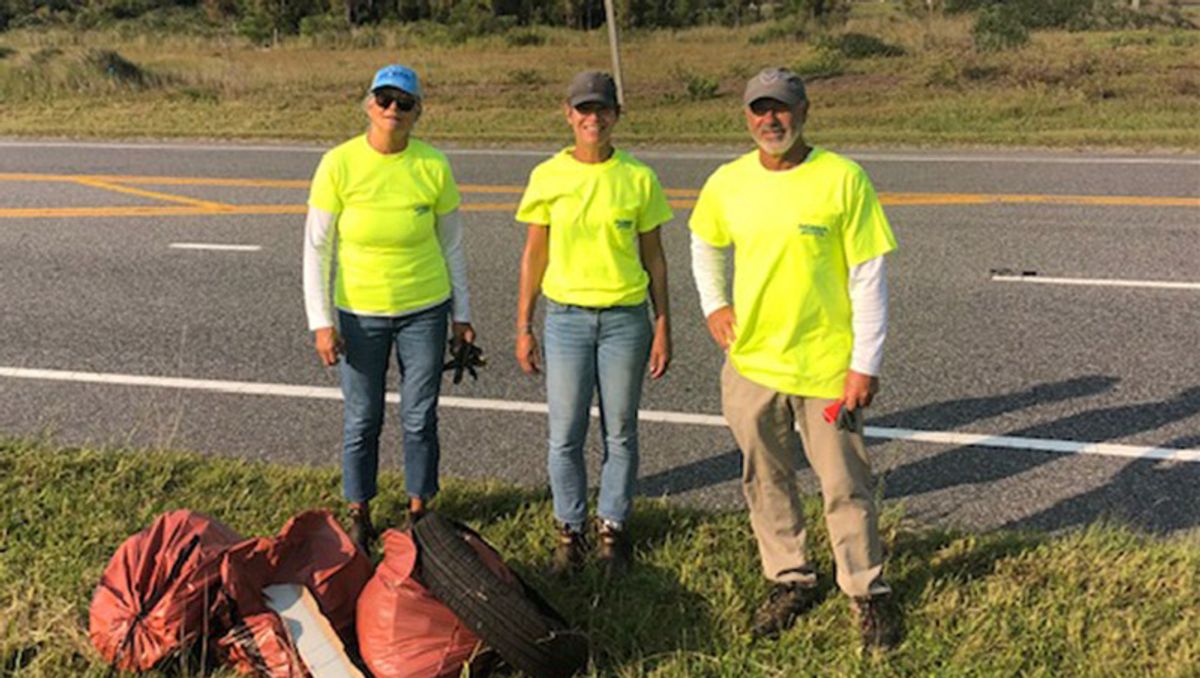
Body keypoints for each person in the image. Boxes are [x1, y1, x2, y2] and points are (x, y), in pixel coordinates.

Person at [688, 67, 900, 649]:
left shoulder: (842, 179)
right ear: (746, 116)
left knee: (846, 483)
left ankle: (865, 589)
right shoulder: (728, 182)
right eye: (759, 109)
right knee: (766, 479)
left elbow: (868, 275)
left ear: (804, 112)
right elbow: (704, 242)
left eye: (781, 108)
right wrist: (714, 304)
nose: (770, 120)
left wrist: (865, 363)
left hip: (827, 369)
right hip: (753, 364)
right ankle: (790, 578)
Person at [303, 64, 474, 552]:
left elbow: (452, 245)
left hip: (425, 308)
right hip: (360, 313)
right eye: (384, 99)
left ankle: (419, 510)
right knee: (362, 417)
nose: (392, 109)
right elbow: (317, 248)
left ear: (418, 112)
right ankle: (360, 511)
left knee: (419, 416)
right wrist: (321, 322)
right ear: (368, 104)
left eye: (404, 102)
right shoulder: (338, 164)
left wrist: (461, 315)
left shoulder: (432, 165)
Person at [514, 70, 673, 577]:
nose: (593, 118)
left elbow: (655, 259)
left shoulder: (638, 178)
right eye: (584, 109)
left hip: (626, 320)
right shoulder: (548, 176)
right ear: (568, 114)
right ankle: (570, 529)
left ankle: (613, 529)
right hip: (566, 320)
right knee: (566, 432)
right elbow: (534, 256)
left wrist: (663, 323)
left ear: (616, 115)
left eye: (602, 109)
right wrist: (524, 324)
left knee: (620, 431)